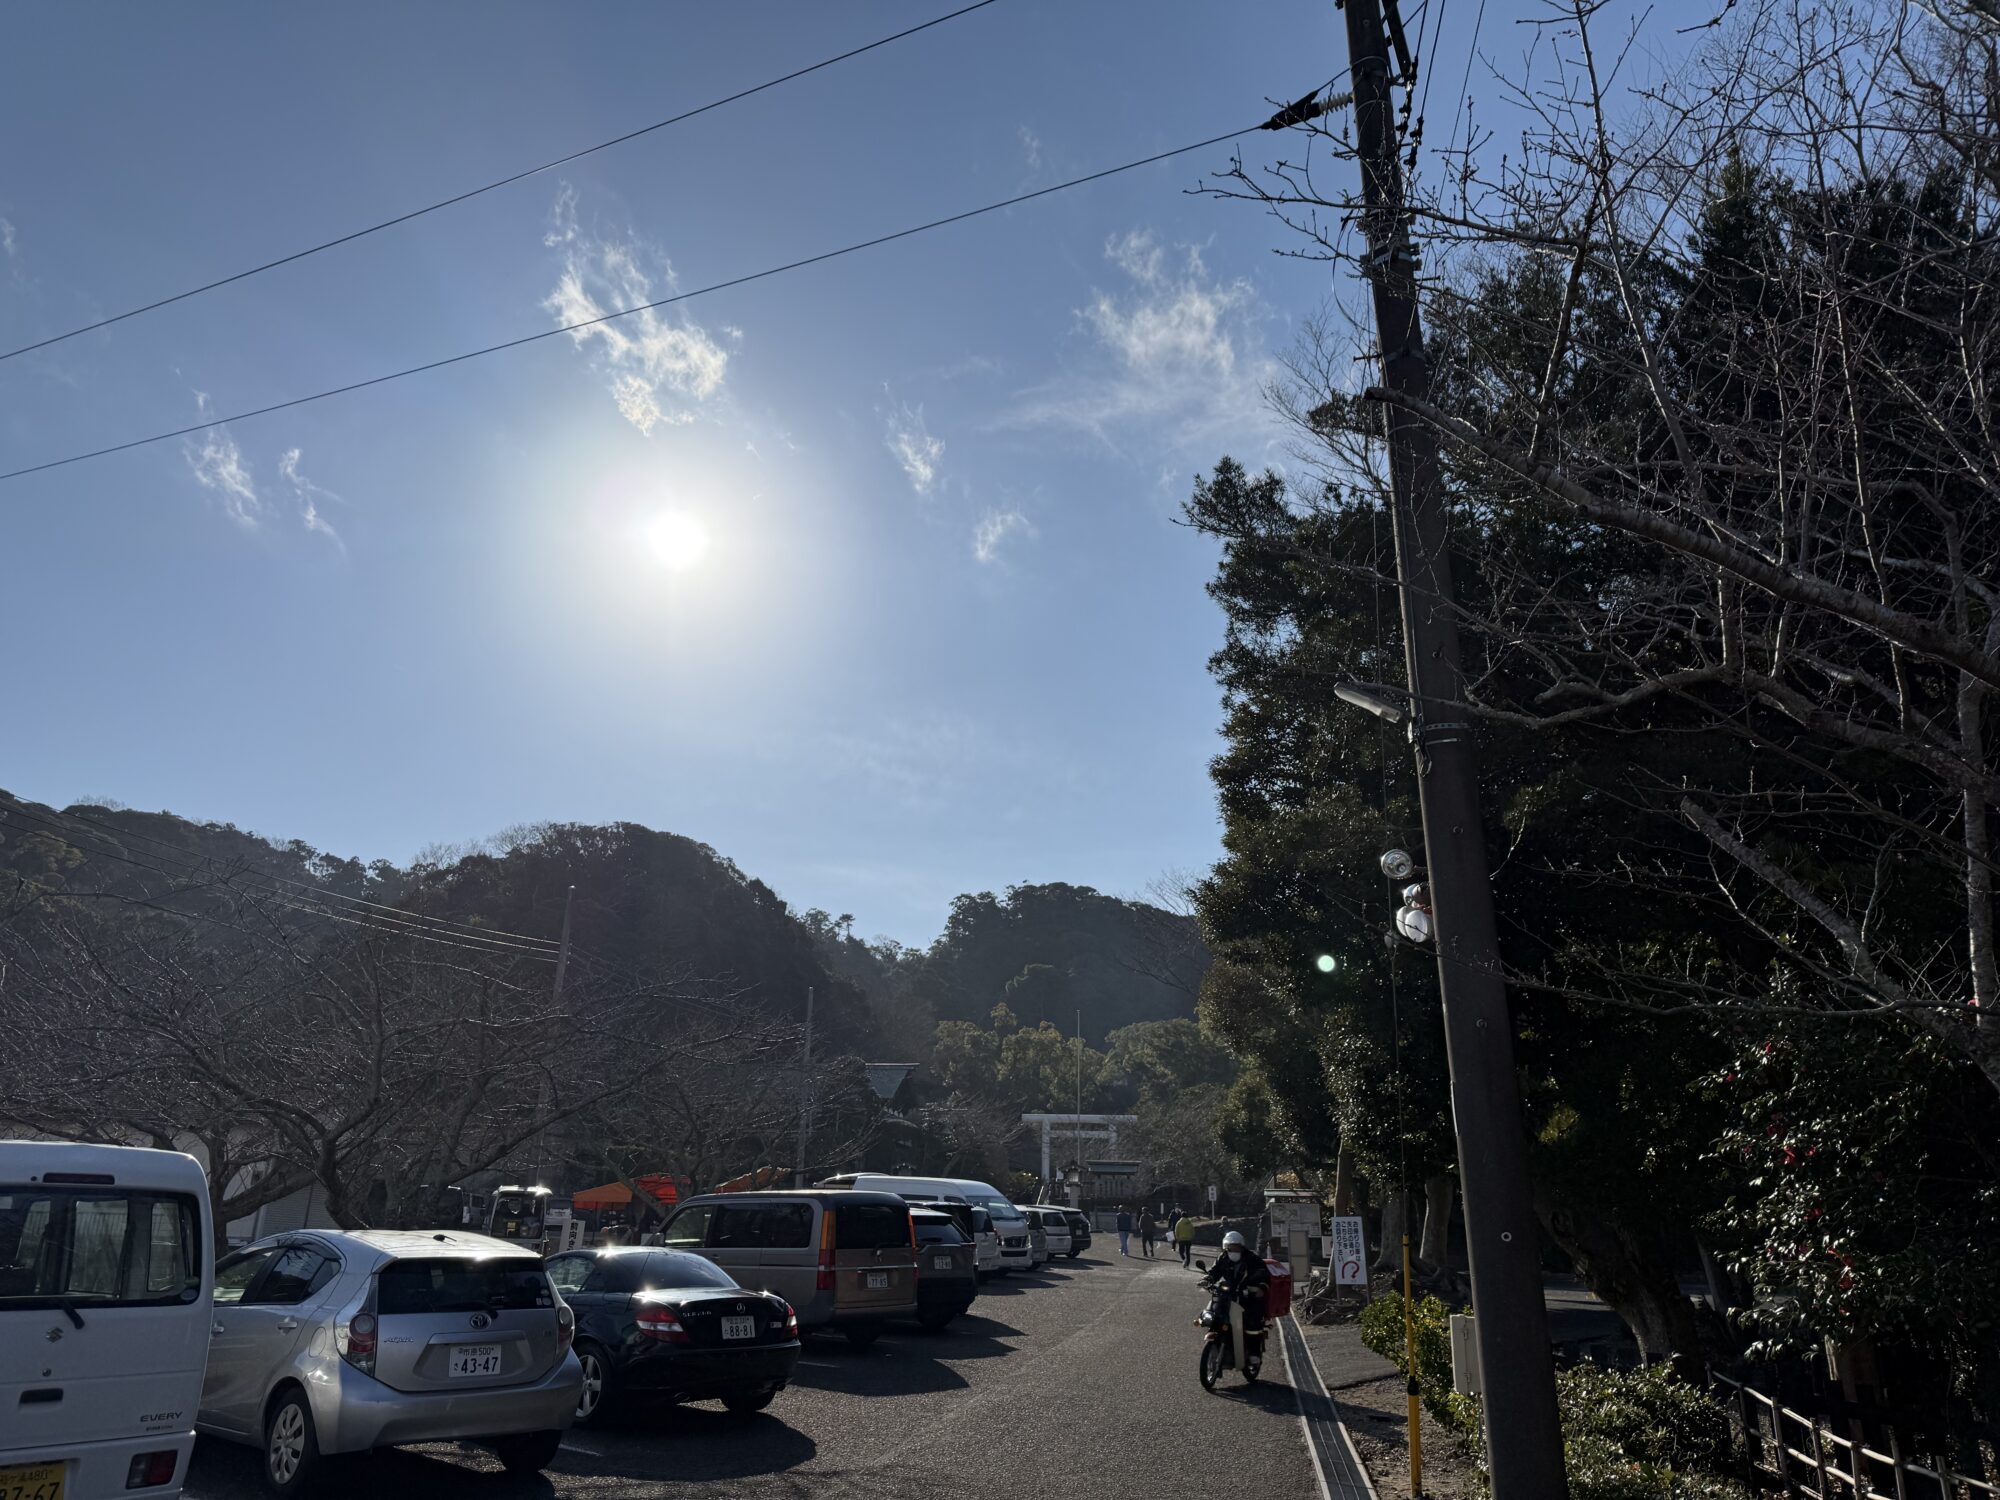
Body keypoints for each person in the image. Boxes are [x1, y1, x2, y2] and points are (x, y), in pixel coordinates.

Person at [1200, 1229, 1272, 1334]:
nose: (1233, 1249)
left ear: (1242, 1246)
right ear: (1226, 1247)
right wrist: (1207, 1279)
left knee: (1253, 1326)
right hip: (1228, 1294)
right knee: (1213, 1316)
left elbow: (1264, 1276)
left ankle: (1254, 1348)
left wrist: (1261, 1288)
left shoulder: (1253, 1259)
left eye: (1236, 1247)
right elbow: (1215, 1272)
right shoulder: (1223, 1257)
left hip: (1247, 1296)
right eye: (1230, 1247)